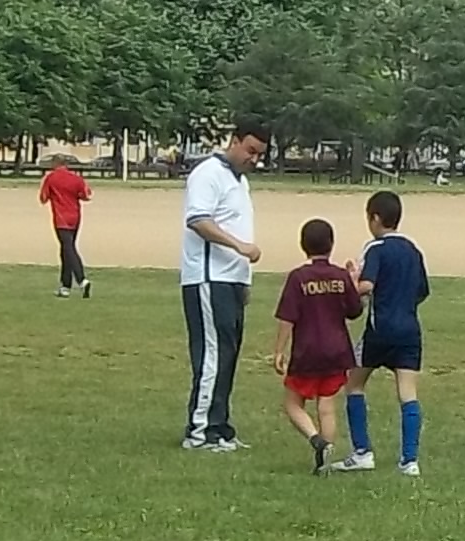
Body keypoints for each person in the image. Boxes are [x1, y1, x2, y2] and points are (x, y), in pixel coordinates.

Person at [180, 125, 267, 451]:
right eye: (250, 150)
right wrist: (239, 246)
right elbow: (198, 220)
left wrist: (244, 281)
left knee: (228, 355)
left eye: (259, 154)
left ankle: (220, 426)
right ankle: (200, 432)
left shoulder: (239, 182)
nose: (254, 159)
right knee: (212, 356)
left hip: (231, 281)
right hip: (208, 277)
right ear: (233, 141)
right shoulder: (209, 174)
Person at [271, 217, 366, 473]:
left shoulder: (298, 278)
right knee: (326, 406)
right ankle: (327, 457)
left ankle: (317, 440)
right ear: (331, 244)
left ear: (303, 245)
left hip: (307, 351)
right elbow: (355, 310)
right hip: (337, 351)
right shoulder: (339, 276)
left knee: (293, 403)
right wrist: (353, 282)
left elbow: (287, 317)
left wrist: (279, 350)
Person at [355, 188, 432, 473]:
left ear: (375, 218)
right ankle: (409, 460)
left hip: (380, 328)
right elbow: (423, 290)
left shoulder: (375, 248)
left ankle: (362, 451)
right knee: (407, 393)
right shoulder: (413, 250)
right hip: (410, 329)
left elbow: (366, 286)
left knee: (354, 383)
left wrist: (353, 284)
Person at [39, 153, 92, 296]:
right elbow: (86, 196)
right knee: (66, 249)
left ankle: (82, 280)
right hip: (75, 217)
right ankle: (65, 286)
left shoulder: (51, 178)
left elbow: (43, 198)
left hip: (61, 218)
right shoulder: (76, 178)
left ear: (54, 164)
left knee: (68, 249)